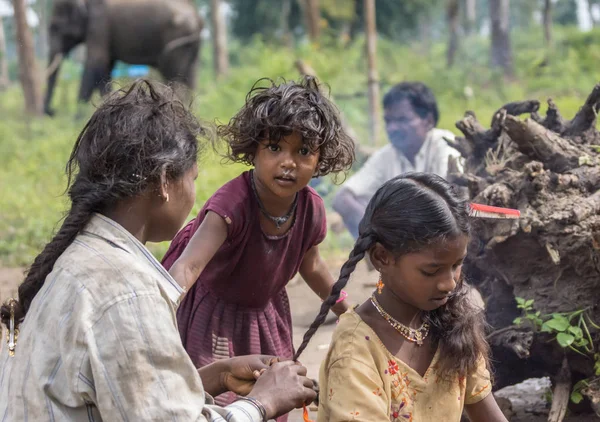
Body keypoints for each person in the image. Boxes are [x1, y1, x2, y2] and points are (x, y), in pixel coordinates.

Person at [0, 80, 316, 422]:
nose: (195, 194)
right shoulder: (127, 292)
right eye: (193, 178)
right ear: (166, 182)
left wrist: (218, 375)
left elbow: (128, 396)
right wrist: (263, 402)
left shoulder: (82, 259)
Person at [161, 76, 355, 416]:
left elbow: (312, 267)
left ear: (321, 159)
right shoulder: (231, 206)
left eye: (304, 151)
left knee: (270, 391)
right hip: (213, 312)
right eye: (275, 148)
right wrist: (155, 313)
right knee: (211, 397)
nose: (288, 162)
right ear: (253, 150)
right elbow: (188, 266)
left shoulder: (311, 210)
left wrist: (349, 314)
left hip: (263, 312)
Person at [294, 173, 508, 421]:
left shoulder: (453, 321)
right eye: (431, 270)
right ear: (382, 257)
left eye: (457, 265)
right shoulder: (356, 350)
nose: (449, 283)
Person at [333, 81, 462, 239]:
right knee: (356, 203)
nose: (392, 128)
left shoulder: (444, 146)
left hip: (441, 241)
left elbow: (445, 202)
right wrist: (373, 229)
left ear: (428, 121)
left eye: (402, 120)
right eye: (388, 121)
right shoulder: (386, 155)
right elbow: (342, 198)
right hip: (397, 243)